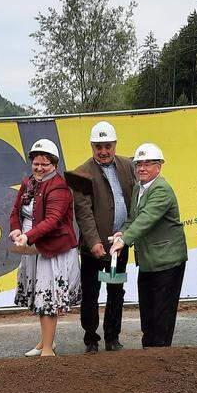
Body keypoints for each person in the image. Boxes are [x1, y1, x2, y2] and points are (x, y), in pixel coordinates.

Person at [68, 120, 136, 353]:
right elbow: (83, 212)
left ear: (115, 144)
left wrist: (127, 235)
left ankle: (112, 337)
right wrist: (94, 242)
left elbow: (135, 203)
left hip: (120, 245)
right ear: (91, 146)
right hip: (92, 250)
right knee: (91, 294)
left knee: (116, 291)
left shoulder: (130, 166)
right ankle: (91, 338)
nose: (104, 151)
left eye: (108, 146)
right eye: (99, 147)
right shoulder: (81, 173)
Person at [110, 143, 187, 348]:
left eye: (148, 164)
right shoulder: (138, 188)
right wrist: (123, 232)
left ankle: (160, 356)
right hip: (148, 262)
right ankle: (149, 355)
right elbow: (133, 218)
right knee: (148, 311)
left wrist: (124, 240)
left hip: (167, 262)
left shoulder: (161, 189)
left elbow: (146, 219)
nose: (142, 168)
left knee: (162, 315)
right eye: (139, 164)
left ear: (159, 167)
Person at [9, 139, 81, 356]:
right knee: (38, 297)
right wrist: (15, 230)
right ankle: (45, 341)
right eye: (36, 163)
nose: (39, 168)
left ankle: (48, 349)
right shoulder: (28, 182)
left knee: (47, 298)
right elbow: (15, 211)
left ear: (55, 165)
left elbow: (53, 220)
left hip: (52, 250)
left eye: (45, 164)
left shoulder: (59, 186)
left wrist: (27, 236)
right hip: (32, 247)